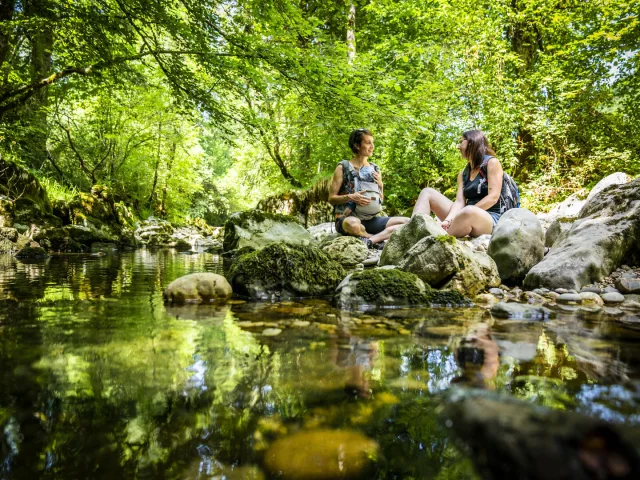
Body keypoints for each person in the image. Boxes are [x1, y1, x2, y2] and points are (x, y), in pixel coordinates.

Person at [412, 129, 505, 237]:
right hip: (464, 215)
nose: (458, 146)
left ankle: (439, 239)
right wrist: (448, 219)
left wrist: (463, 213)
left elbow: (493, 197)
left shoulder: (492, 163)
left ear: (471, 142)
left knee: (468, 212)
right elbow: (460, 202)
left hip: (489, 218)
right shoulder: (463, 174)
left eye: (461, 141)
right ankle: (414, 230)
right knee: (427, 192)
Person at [329, 128, 409, 248]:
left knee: (408, 221)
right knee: (353, 224)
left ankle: (369, 239)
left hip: (371, 220)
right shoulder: (343, 167)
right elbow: (331, 198)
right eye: (368, 143)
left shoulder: (375, 169)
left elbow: (380, 200)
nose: (372, 146)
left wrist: (381, 186)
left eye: (373, 142)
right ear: (357, 146)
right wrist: (350, 197)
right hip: (347, 219)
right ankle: (374, 238)